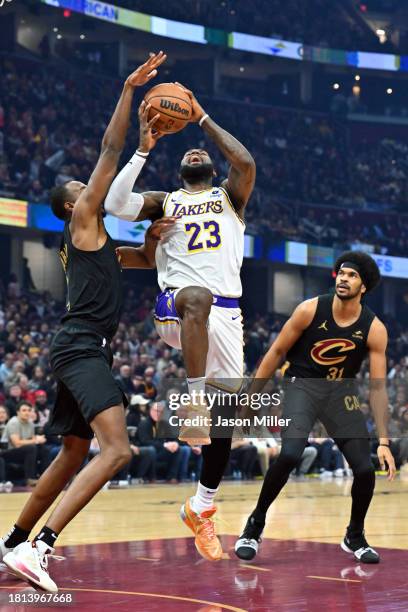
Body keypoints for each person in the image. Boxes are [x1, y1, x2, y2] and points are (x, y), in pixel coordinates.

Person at [0, 52, 170, 593]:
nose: (89, 187)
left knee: (74, 450)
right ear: (72, 204)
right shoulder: (83, 220)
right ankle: (40, 547)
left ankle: (11, 544)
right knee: (118, 451)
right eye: (82, 186)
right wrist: (127, 90)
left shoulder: (93, 243)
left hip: (78, 346)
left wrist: (148, 241)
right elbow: (108, 149)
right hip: (80, 347)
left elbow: (140, 260)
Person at [112, 83, 256, 560]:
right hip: (177, 308)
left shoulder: (231, 197)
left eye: (201, 150)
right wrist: (140, 150)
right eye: (189, 150)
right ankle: (193, 401)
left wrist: (201, 118)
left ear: (211, 167)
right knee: (196, 296)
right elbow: (115, 204)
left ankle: (202, 507)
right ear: (179, 170)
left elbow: (247, 163)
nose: (195, 151)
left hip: (228, 317)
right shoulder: (165, 200)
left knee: (230, 420)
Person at [235, 251, 396, 564]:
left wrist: (385, 442)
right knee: (291, 454)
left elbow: (378, 388)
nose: (344, 279)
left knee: (365, 469)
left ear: (363, 286)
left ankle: (355, 535)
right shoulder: (310, 309)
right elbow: (276, 352)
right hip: (302, 387)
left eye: (352, 276)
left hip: (341, 394)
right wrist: (252, 398)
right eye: (342, 274)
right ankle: (254, 526)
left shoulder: (374, 328)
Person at [1, 401, 47, 486]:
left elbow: (33, 439)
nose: (27, 413)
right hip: (7, 452)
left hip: (23, 451)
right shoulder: (14, 422)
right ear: (18, 412)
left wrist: (39, 440)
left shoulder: (30, 423)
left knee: (44, 449)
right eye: (24, 410)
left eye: (29, 410)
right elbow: (17, 444)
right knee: (31, 448)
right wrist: (36, 440)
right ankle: (30, 478)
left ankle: (45, 477)